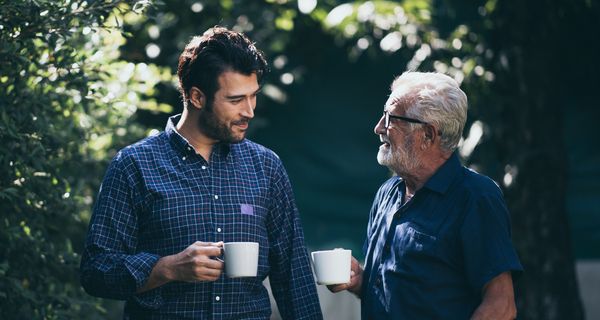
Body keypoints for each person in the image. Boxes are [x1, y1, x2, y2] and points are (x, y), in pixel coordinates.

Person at [80, 26, 322, 319]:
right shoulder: (134, 165)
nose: (250, 111)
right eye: (235, 100)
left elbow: (294, 276)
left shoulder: (266, 167)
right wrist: (165, 268)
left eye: (253, 96)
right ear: (197, 97)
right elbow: (96, 271)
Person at [329, 71, 523, 319]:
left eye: (391, 118)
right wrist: (359, 281)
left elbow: (501, 306)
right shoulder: (387, 193)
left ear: (428, 135)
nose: (378, 127)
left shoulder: (475, 197)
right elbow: (398, 288)